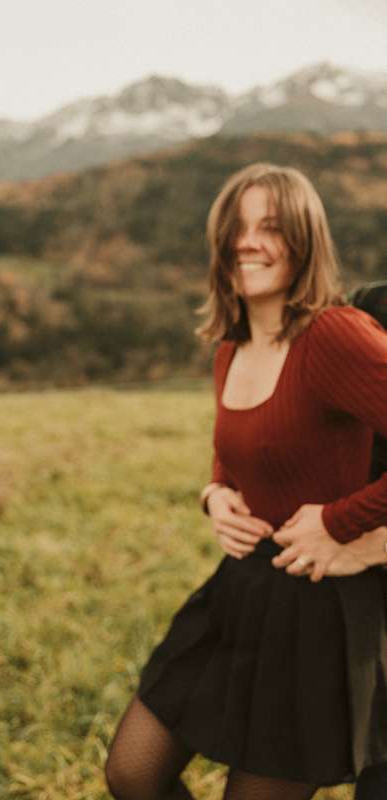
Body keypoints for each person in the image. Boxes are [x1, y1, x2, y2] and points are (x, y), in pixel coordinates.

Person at [104, 163, 387, 800]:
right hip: (240, 593)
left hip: (317, 612)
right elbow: (235, 446)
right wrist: (215, 492)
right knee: (133, 773)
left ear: (305, 241)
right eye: (235, 227)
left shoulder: (333, 337)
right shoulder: (230, 349)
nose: (247, 242)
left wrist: (339, 521)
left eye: (271, 227)